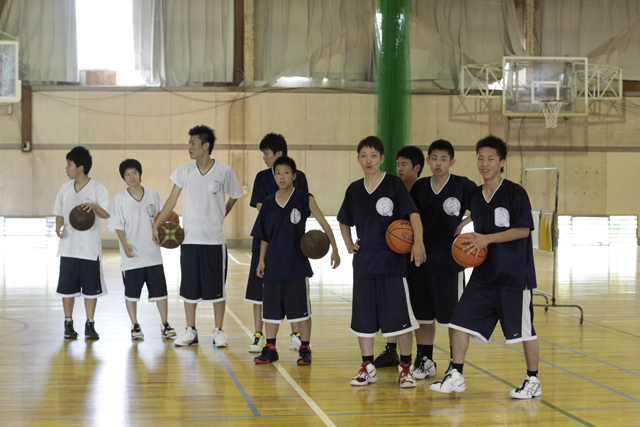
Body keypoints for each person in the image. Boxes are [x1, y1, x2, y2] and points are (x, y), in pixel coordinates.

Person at [430, 135, 541, 399]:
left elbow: (523, 230)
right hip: (483, 277)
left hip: (514, 276)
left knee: (524, 331)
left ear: (502, 162)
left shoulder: (515, 193)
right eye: (480, 158)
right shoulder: (476, 196)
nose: (484, 163)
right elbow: (478, 218)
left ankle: (533, 380)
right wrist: (463, 227)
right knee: (457, 323)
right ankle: (456, 375)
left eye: (491, 158)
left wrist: (486, 239)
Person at [338, 136, 426, 389]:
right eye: (364, 155)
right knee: (363, 322)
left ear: (382, 159)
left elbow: (413, 214)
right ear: (358, 159)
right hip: (364, 266)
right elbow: (344, 220)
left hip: (392, 266)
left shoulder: (394, 184)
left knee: (401, 322)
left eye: (374, 155)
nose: (369, 160)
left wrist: (418, 242)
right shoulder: (354, 189)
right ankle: (367, 368)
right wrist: (348, 244)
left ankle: (406, 369)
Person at [153, 125, 242, 348]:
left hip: (214, 242)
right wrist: (157, 224)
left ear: (206, 145)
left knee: (217, 290)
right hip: (190, 240)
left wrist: (222, 213)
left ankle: (218, 331)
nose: (189, 147)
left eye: (193, 143)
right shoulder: (184, 171)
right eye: (189, 143)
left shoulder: (224, 171)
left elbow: (235, 195)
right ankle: (190, 331)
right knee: (189, 289)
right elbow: (172, 200)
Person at [252, 156, 340, 365]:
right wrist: (261, 260)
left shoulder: (304, 198)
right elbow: (264, 235)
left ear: (294, 176)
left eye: (286, 172)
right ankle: (270, 348)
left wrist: (335, 249)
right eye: (278, 173)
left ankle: (305, 348)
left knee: (301, 312)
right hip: (273, 264)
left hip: (296, 265)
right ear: (274, 177)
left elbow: (324, 223)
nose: (282, 177)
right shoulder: (268, 203)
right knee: (270, 312)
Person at [246, 133, 309, 354]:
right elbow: (261, 207)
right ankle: (258, 335)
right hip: (265, 240)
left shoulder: (299, 177)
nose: (264, 157)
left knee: (293, 293)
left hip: (291, 245)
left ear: (279, 153)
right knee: (259, 292)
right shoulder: (262, 177)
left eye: (267, 153)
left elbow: (303, 207)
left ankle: (295, 335)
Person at [108, 159, 177, 340]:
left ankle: (165, 324)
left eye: (134, 172)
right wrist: (125, 244)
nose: (131, 177)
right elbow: (118, 226)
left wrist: (166, 235)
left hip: (153, 254)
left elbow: (162, 219)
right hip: (132, 256)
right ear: (123, 178)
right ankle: (135, 325)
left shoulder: (152, 195)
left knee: (161, 293)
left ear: (140, 173)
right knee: (132, 295)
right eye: (127, 174)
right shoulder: (120, 199)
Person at [374, 145, 425, 369]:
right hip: (396, 258)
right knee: (394, 306)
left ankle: (421, 355)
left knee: (416, 310)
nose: (399, 168)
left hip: (419, 257)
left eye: (404, 164)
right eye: (397, 164)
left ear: (417, 167)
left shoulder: (423, 191)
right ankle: (390, 350)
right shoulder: (393, 189)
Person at [53, 146, 109, 340]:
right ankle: (68, 324)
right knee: (67, 289)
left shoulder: (97, 188)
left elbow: (106, 214)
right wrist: (58, 225)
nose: (66, 168)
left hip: (89, 250)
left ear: (80, 167)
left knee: (90, 291)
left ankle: (90, 324)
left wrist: (94, 206)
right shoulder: (64, 189)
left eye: (69, 164)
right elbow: (59, 213)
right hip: (68, 248)